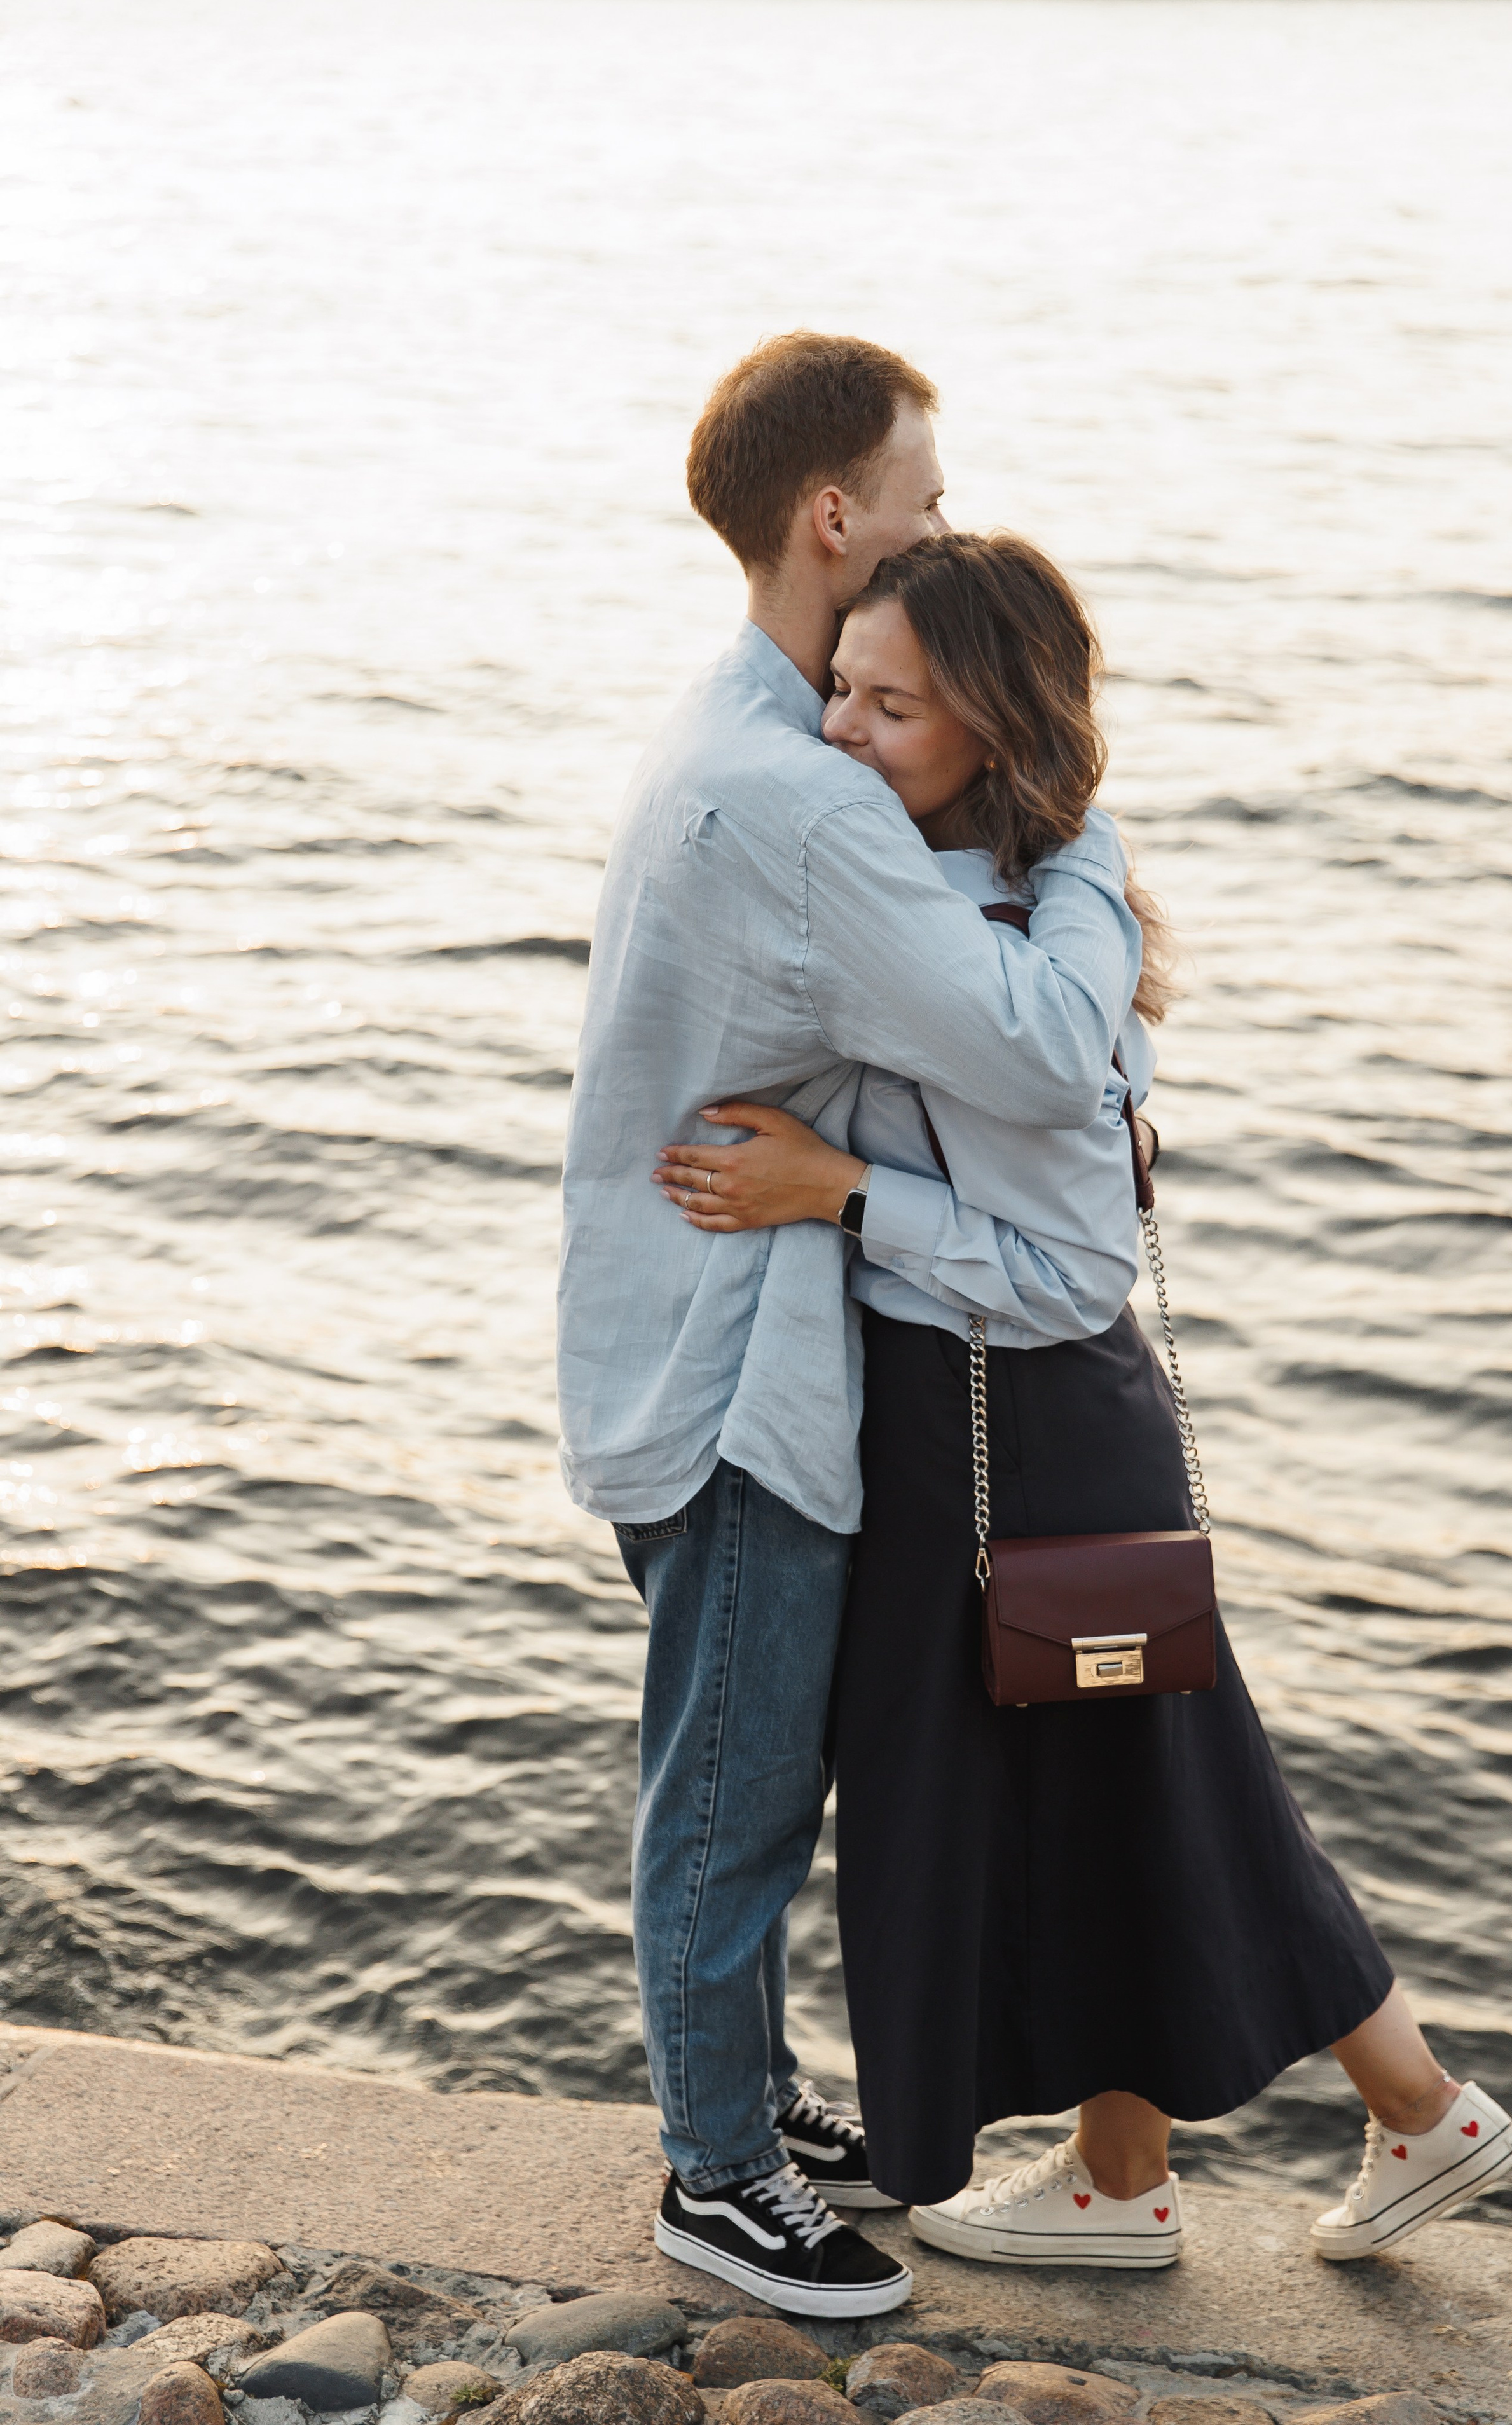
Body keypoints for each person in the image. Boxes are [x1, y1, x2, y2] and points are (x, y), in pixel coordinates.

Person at [652, 529, 1512, 2271]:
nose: (841, 729)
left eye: (892, 705)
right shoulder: (971, 890)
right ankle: (1121, 2172)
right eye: (840, 684)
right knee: (1116, 1795)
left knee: (1172, 1784)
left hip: (1022, 1412)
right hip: (988, 1419)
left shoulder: (1018, 924)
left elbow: (1065, 1265)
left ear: (989, 723)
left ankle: (1427, 2104)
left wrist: (838, 1192)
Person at [557, 337, 1151, 2317]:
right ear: (837, 518)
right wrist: (1087, 832)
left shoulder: (731, 721)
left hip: (675, 1314)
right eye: (918, 484)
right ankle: (716, 2175)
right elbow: (1046, 1047)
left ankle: (742, 2092)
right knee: (730, 1789)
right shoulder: (807, 802)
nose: (939, 514)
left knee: (738, 1757)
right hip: (733, 1355)